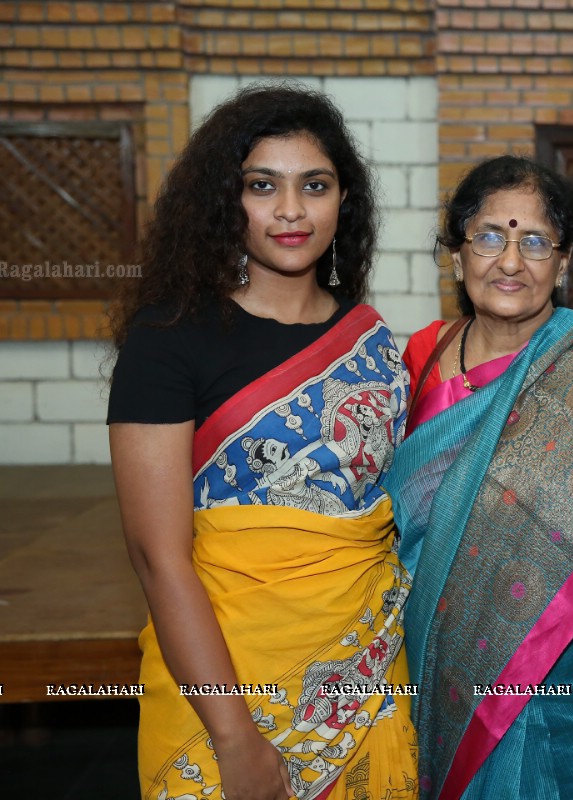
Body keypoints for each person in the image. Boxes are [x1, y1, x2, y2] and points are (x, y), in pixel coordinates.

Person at [107, 85, 417, 800]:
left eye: (314, 185)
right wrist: (235, 738)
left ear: (344, 201)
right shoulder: (168, 340)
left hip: (364, 677)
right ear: (227, 201)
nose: (289, 210)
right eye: (261, 186)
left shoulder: (369, 342)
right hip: (223, 690)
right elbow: (158, 558)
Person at [383, 155, 573, 800]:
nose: (509, 261)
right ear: (455, 255)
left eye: (534, 242)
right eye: (489, 237)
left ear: (564, 262)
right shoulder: (416, 360)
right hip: (445, 681)